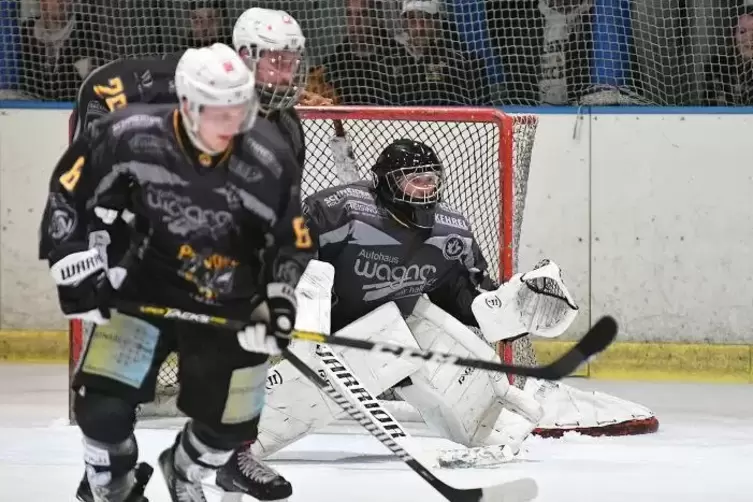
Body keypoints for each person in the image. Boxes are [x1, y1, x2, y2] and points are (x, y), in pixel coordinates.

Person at [216, 139, 578, 500]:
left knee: (483, 418)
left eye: (430, 178)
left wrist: (510, 307)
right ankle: (232, 440)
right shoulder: (339, 211)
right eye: (412, 179)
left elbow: (462, 299)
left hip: (390, 335)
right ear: (386, 182)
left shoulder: (451, 233)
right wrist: (292, 311)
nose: (425, 187)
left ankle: (490, 417)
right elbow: (286, 261)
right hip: (322, 330)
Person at [38, 43, 314, 502]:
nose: (229, 123)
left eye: (237, 108)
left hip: (223, 290)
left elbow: (292, 236)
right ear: (184, 102)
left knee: (232, 423)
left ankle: (184, 468)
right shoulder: (127, 135)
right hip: (142, 285)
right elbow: (69, 195)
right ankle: (113, 486)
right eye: (214, 110)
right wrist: (70, 254)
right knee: (101, 410)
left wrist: (278, 297)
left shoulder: (267, 153)